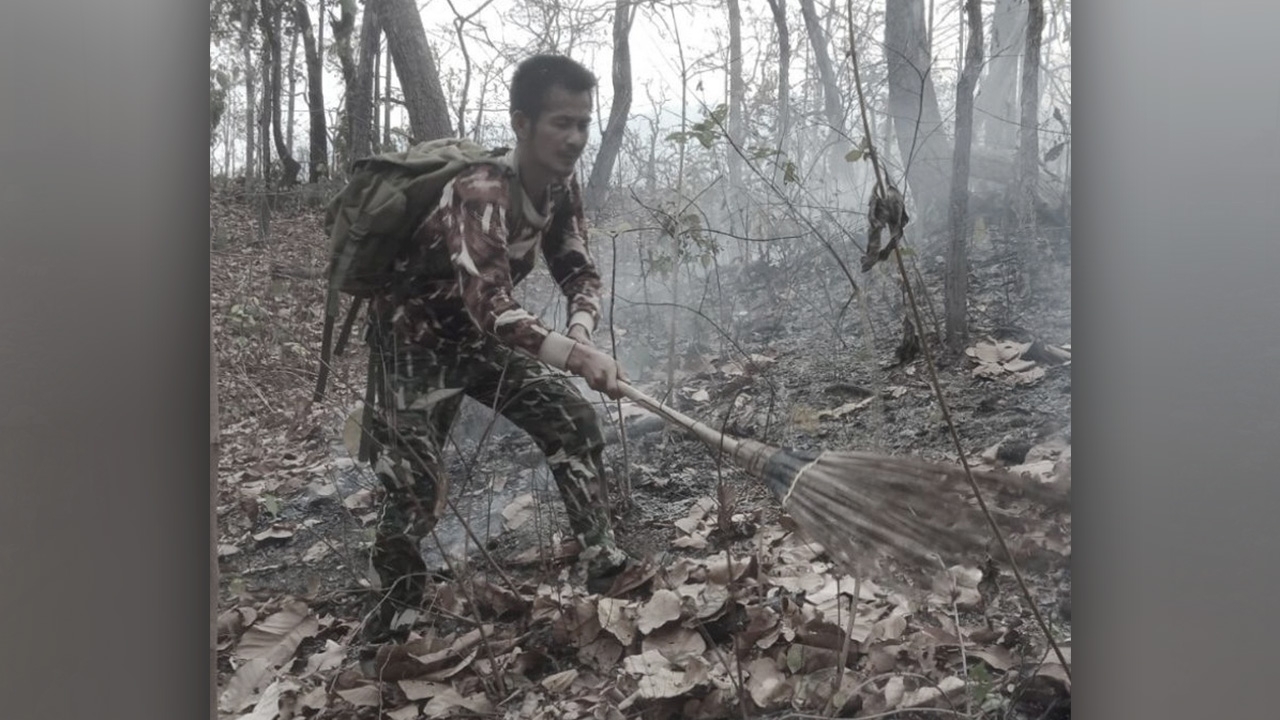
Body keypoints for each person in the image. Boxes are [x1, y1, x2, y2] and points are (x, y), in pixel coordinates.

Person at [362, 54, 631, 638]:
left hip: (478, 340)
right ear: (521, 123)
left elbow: (578, 269)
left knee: (572, 418)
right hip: (412, 344)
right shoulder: (480, 190)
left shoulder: (561, 188)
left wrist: (582, 328)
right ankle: (396, 612)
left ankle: (604, 567)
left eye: (584, 123)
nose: (576, 138)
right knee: (417, 494)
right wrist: (575, 356)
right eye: (561, 122)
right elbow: (493, 306)